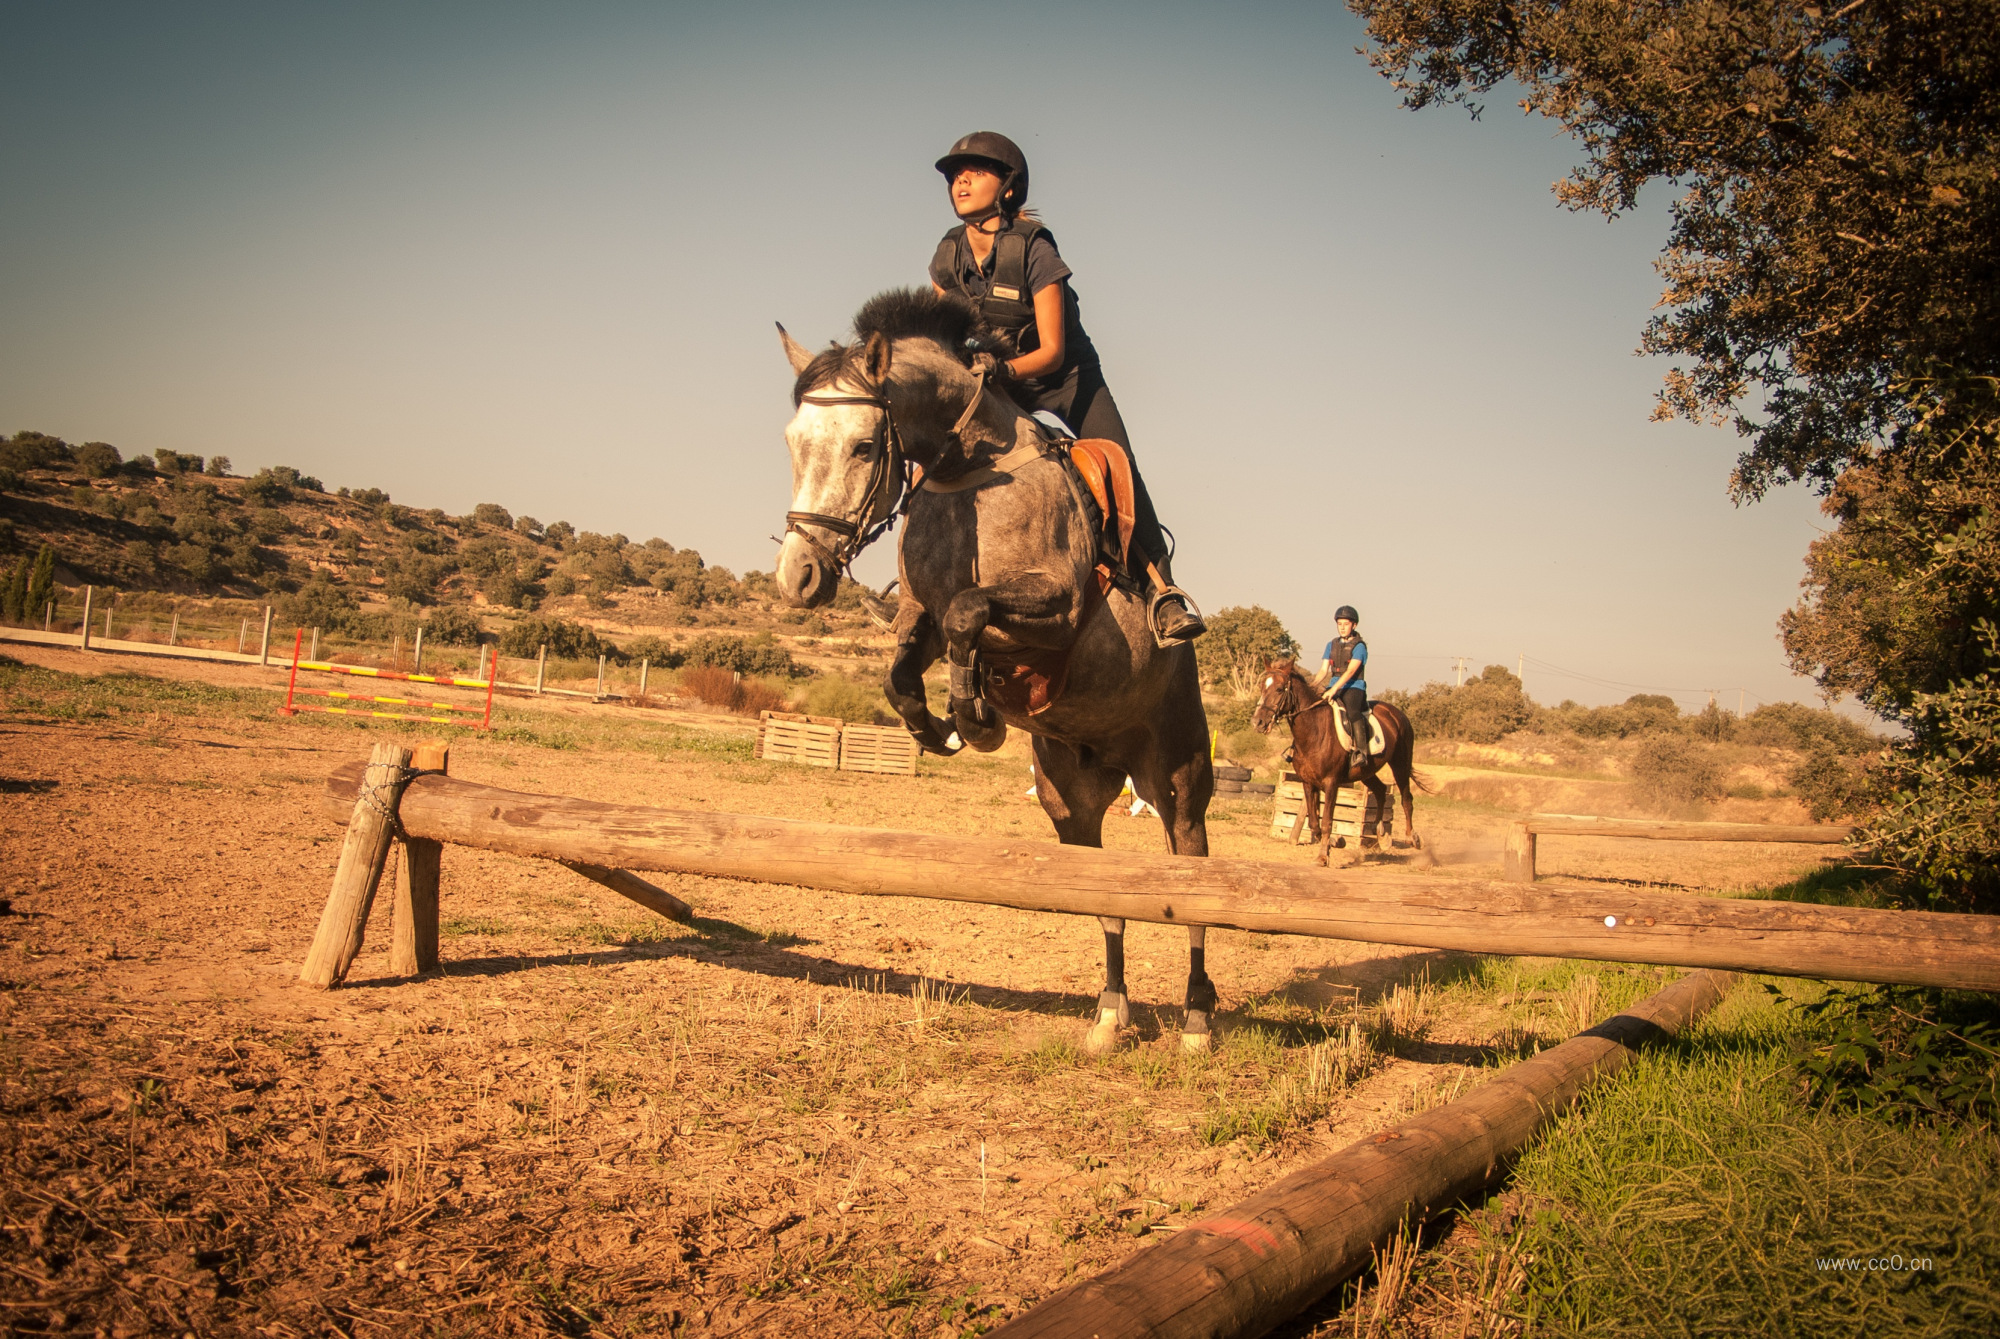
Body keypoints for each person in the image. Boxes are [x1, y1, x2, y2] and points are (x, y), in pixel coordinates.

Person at [927, 131, 1205, 644]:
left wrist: (1000, 372)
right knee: (936, 444)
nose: (960, 180)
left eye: (975, 171)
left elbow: (1052, 351)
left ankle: (1161, 591)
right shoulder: (948, 256)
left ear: (1007, 187)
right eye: (954, 174)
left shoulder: (1034, 247)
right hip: (999, 382)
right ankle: (915, 582)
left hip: (1065, 380)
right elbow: (944, 340)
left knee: (1120, 466)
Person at [1314, 605, 1370, 771]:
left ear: (1354, 625)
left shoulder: (1359, 646)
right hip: (1334, 686)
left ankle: (1361, 751)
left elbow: (1351, 671)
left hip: (1354, 686)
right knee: (1312, 709)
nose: (1342, 627)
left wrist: (1334, 689)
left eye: (1346, 624)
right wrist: (1312, 685)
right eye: (1340, 624)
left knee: (1352, 712)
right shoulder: (1331, 645)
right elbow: (1324, 670)